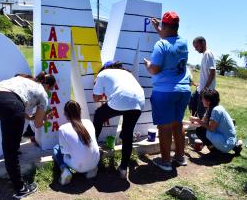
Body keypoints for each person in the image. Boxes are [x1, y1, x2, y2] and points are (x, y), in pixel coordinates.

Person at [0, 71, 56, 199]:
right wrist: (46, 118)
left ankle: (15, 178)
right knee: (11, 151)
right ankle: (20, 189)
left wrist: (31, 117)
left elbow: (20, 109)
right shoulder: (43, 94)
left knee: (10, 139)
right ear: (48, 86)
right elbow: (38, 124)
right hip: (9, 105)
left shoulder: (25, 80)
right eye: (51, 89)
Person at [144, 11, 191, 171]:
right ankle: (180, 156)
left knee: (164, 127)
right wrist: (159, 29)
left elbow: (155, 69)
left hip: (165, 92)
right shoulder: (183, 42)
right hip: (183, 90)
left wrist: (148, 64)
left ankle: (165, 162)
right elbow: (170, 42)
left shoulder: (160, 45)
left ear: (164, 25)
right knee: (178, 124)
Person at [93, 61, 145, 179]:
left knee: (98, 115)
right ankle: (123, 169)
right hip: (139, 101)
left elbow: (96, 98)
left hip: (121, 99)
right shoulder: (126, 73)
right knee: (127, 134)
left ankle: (92, 147)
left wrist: (98, 87)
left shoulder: (102, 74)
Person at [53, 100, 100, 185]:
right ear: (80, 111)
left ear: (65, 114)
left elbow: (65, 153)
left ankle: (65, 170)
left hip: (79, 166)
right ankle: (90, 170)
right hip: (95, 161)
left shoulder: (63, 128)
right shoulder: (88, 122)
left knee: (56, 148)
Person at [190, 89, 243, 155]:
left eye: (202, 98)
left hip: (226, 143)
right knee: (202, 128)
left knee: (200, 131)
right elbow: (203, 122)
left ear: (208, 101)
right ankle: (235, 147)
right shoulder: (213, 108)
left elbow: (210, 128)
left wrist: (198, 120)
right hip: (229, 140)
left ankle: (215, 151)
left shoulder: (216, 110)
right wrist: (194, 121)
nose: (201, 100)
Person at [193, 36, 216, 119]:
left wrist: (205, 88)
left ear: (203, 43)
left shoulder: (208, 54)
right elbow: (207, 74)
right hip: (203, 91)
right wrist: (200, 85)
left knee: (204, 116)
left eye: (196, 46)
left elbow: (212, 72)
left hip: (206, 93)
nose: (195, 49)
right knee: (198, 112)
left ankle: (203, 131)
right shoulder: (205, 55)